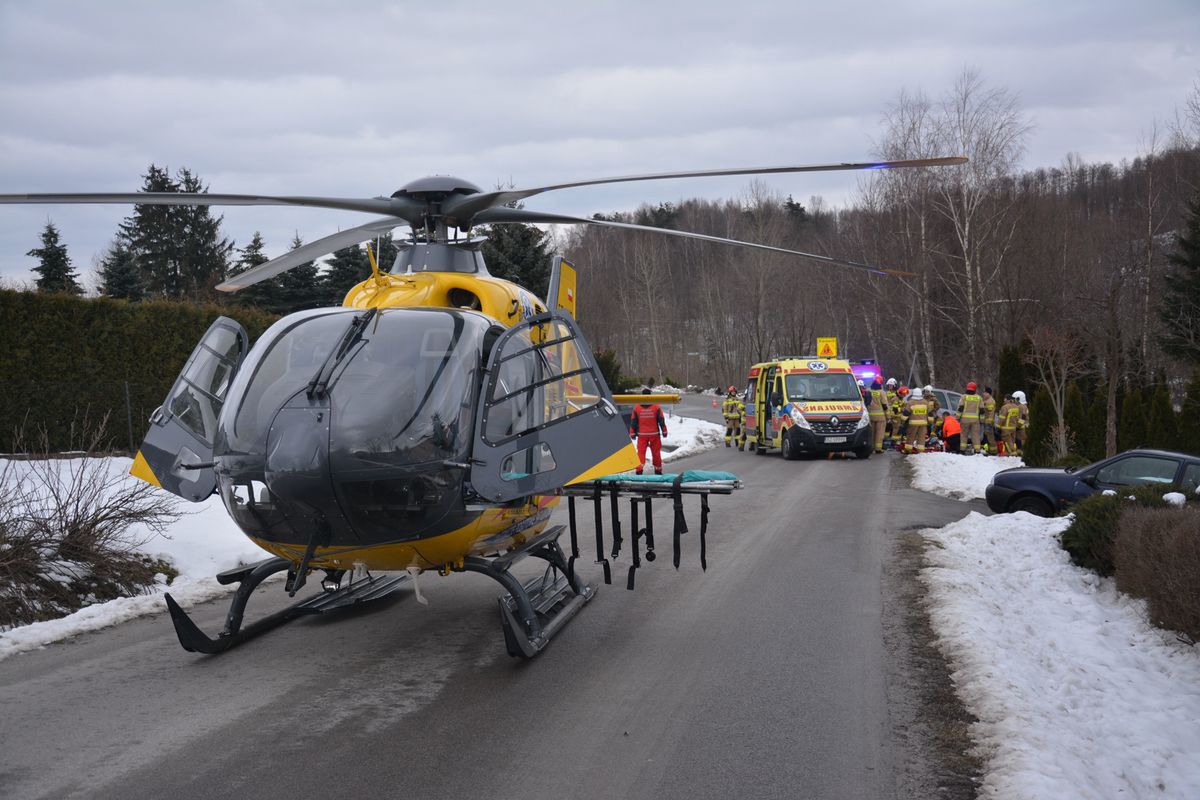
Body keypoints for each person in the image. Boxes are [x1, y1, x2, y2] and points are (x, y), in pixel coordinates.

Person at [630, 388, 668, 474]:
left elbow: (633, 421)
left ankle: (639, 471)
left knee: (641, 453)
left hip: (642, 435)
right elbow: (661, 420)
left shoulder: (637, 407)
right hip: (654, 435)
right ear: (650, 395)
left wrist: (632, 432)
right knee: (656, 453)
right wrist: (664, 431)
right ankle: (658, 471)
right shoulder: (656, 406)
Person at [956, 381, 983, 454]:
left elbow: (960, 408)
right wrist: (982, 420)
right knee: (975, 436)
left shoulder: (964, 397)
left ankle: (962, 450)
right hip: (975, 420)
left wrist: (957, 417)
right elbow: (982, 410)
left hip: (965, 420)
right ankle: (977, 450)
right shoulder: (979, 398)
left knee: (964, 435)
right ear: (975, 389)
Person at [902, 387, 929, 454]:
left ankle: (908, 450)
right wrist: (930, 422)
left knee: (910, 437)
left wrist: (902, 419)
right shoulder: (925, 402)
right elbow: (930, 413)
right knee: (921, 438)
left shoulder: (911, 402)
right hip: (923, 424)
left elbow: (906, 413)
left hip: (913, 424)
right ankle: (920, 451)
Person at [867, 378, 888, 454]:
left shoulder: (868, 391)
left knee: (872, 432)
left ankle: (871, 447)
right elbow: (884, 405)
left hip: (870, 416)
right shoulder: (881, 392)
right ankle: (878, 449)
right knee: (879, 433)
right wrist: (888, 416)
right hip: (880, 417)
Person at [981, 386, 998, 455]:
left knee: (990, 437)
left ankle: (993, 451)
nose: (983, 394)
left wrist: (989, 423)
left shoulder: (991, 401)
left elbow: (991, 413)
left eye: (985, 392)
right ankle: (988, 450)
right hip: (985, 422)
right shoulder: (985, 400)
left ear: (989, 393)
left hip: (988, 423)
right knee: (986, 436)